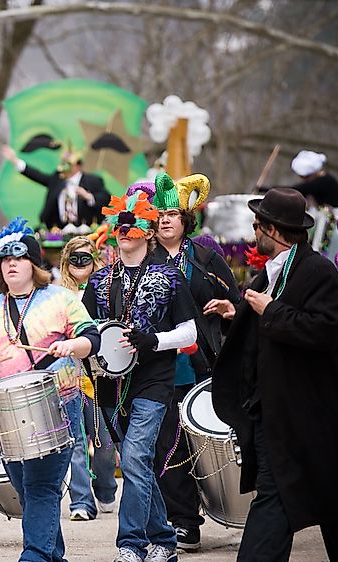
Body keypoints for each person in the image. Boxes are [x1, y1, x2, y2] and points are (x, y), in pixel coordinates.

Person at [210, 188, 338, 561]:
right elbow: (263, 330)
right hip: (270, 410)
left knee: (306, 498)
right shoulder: (268, 274)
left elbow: (324, 330)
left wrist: (269, 311)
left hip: (304, 413)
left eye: (258, 225)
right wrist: (235, 314)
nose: (254, 232)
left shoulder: (316, 270)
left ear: (272, 229)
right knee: (283, 495)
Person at [0, 218, 100, 562]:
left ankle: (34, 555)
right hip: (4, 412)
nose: (10, 264)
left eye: (18, 258)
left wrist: (74, 345)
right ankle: (54, 555)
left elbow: (92, 338)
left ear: (34, 264)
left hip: (56, 405)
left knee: (41, 485)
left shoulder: (61, 299)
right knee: (27, 488)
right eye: (4, 259)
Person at [82, 191, 197, 562]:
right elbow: (83, 329)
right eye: (121, 225)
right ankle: (163, 539)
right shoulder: (99, 281)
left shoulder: (169, 276)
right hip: (109, 386)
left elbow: (191, 332)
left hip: (154, 380)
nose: (126, 230)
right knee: (137, 463)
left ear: (149, 233)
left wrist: (154, 341)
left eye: (134, 225)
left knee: (133, 457)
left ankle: (130, 544)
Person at [148, 172, 240, 551]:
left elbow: (235, 302)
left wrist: (227, 309)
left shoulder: (206, 258)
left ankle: (228, 506)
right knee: (169, 447)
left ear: (186, 220)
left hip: (204, 364)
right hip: (161, 367)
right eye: (160, 214)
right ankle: (184, 521)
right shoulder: (143, 258)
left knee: (209, 443)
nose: (166, 219)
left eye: (173, 213)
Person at [57, 236, 118, 522]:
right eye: (74, 259)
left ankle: (105, 489)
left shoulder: (105, 290)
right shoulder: (56, 295)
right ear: (66, 263)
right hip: (69, 376)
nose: (80, 265)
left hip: (101, 376)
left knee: (104, 443)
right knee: (76, 443)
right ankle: (80, 501)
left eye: (85, 258)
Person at [1, 145, 108, 229]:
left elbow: (106, 199)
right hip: (59, 231)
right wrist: (15, 161)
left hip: (86, 230)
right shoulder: (57, 180)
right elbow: (38, 176)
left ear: (78, 165)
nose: (64, 166)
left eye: (68, 163)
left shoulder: (92, 181)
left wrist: (88, 197)